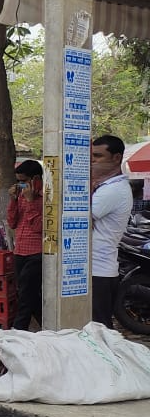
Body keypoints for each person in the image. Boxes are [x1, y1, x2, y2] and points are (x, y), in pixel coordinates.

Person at [90, 135, 134, 328]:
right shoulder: (104, 187)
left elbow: (80, 219)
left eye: (98, 156)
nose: (93, 161)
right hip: (98, 268)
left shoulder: (113, 190)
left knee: (100, 328)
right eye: (91, 156)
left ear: (116, 158)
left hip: (99, 269)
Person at [8, 160, 44, 330]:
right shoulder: (21, 196)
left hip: (36, 252)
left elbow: (39, 227)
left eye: (23, 181)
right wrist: (14, 201)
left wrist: (31, 203)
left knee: (25, 294)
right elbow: (12, 223)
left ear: (35, 179)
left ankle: (18, 329)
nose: (21, 185)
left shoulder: (45, 198)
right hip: (20, 250)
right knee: (26, 293)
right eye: (18, 182)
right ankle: (46, 324)